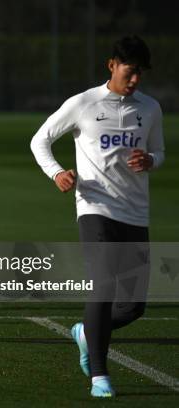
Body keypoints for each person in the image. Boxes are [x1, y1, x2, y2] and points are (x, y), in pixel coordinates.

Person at [30, 35, 164, 398]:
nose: (135, 80)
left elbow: (159, 151)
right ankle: (100, 376)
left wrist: (151, 160)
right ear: (112, 65)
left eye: (141, 74)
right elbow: (40, 139)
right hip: (94, 208)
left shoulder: (150, 109)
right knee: (103, 286)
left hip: (135, 213)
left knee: (134, 306)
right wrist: (57, 172)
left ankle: (86, 332)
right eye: (130, 71)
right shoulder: (83, 104)